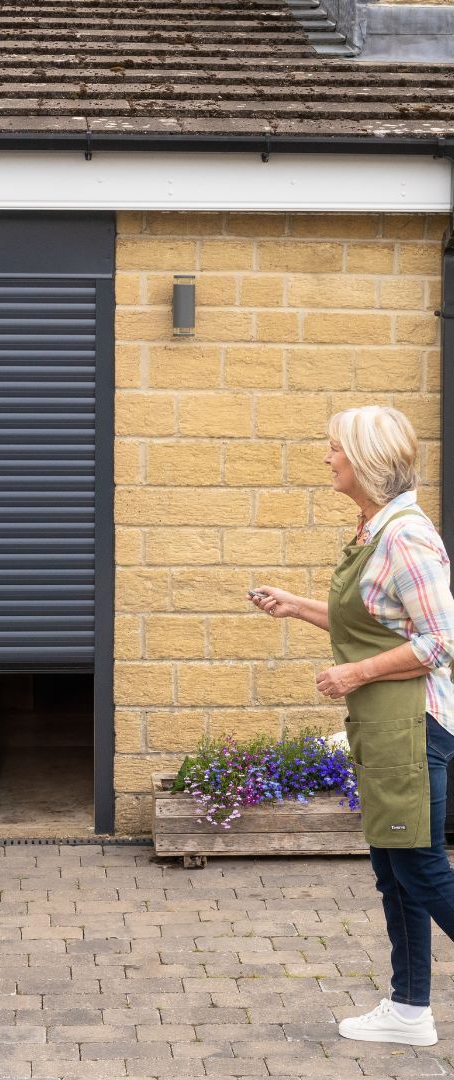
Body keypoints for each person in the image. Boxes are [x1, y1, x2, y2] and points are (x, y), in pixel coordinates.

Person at [250, 405, 454, 1047]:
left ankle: (409, 1007)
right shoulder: (374, 529)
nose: (326, 456)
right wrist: (299, 607)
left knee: (419, 868)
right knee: (394, 870)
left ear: (364, 460)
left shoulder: (405, 536)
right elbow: (380, 620)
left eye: (334, 447)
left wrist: (353, 675)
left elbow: (441, 641)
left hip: (412, 726)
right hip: (386, 728)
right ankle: (409, 1010)